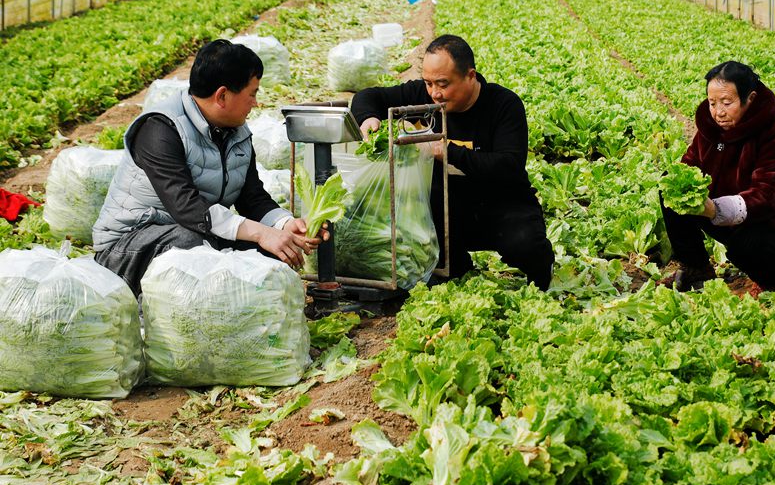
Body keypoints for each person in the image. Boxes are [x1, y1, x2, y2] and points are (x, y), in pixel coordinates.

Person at [93, 40, 324, 295]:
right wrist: (261, 233)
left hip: (199, 233)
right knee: (192, 245)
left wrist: (284, 225)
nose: (255, 103)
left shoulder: (237, 133)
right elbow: (187, 208)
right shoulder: (160, 129)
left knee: (271, 253)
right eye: (253, 94)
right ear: (222, 95)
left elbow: (252, 198)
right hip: (127, 249)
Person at [350, 34, 554, 290]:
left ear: (470, 76)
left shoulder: (503, 105)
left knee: (524, 244)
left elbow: (507, 166)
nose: (435, 93)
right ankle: (455, 268)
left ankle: (543, 269)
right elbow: (367, 97)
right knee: (425, 225)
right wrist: (368, 118)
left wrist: (444, 150)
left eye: (443, 84)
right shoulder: (423, 96)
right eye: (429, 83)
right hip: (447, 207)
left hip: (502, 202)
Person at [662, 61, 775, 291]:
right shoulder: (712, 127)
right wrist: (687, 191)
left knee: (745, 246)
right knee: (672, 190)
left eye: (727, 103)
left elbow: (769, 194)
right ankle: (696, 266)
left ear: (751, 98)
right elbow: (689, 166)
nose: (718, 112)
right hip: (733, 217)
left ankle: (773, 281)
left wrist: (714, 210)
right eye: (712, 103)